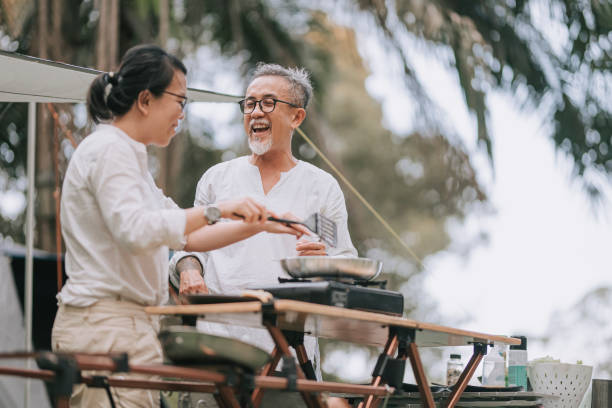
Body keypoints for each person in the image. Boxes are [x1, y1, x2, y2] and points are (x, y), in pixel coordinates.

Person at [51, 45, 303, 408]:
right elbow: (137, 231)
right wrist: (219, 209)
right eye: (180, 100)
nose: (182, 113)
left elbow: (187, 235)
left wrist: (262, 224)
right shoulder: (110, 150)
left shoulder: (128, 155)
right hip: (105, 325)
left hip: (122, 326)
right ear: (145, 100)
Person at [170, 63, 358, 379]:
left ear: (297, 117)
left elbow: (344, 266)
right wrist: (188, 270)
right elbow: (189, 248)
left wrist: (323, 262)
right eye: (249, 103)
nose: (256, 112)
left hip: (290, 355)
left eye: (268, 103)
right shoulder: (217, 179)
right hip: (216, 348)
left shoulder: (320, 188)